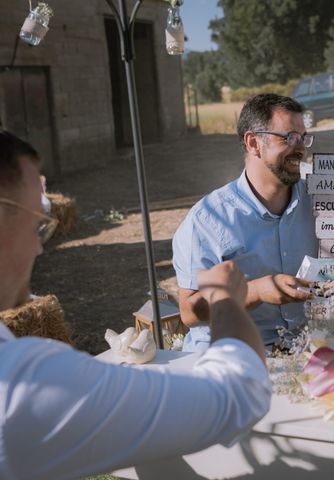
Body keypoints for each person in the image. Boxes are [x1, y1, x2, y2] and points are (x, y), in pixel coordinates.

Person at [0, 130, 271, 479]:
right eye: (37, 226)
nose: (39, 249)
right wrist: (225, 299)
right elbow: (237, 395)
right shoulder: (24, 383)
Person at [173, 93, 318, 352]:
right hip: (233, 354)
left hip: (304, 350)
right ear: (253, 143)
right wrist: (256, 292)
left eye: (304, 137)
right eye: (289, 138)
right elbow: (190, 311)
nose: (301, 148)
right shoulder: (207, 220)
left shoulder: (319, 203)